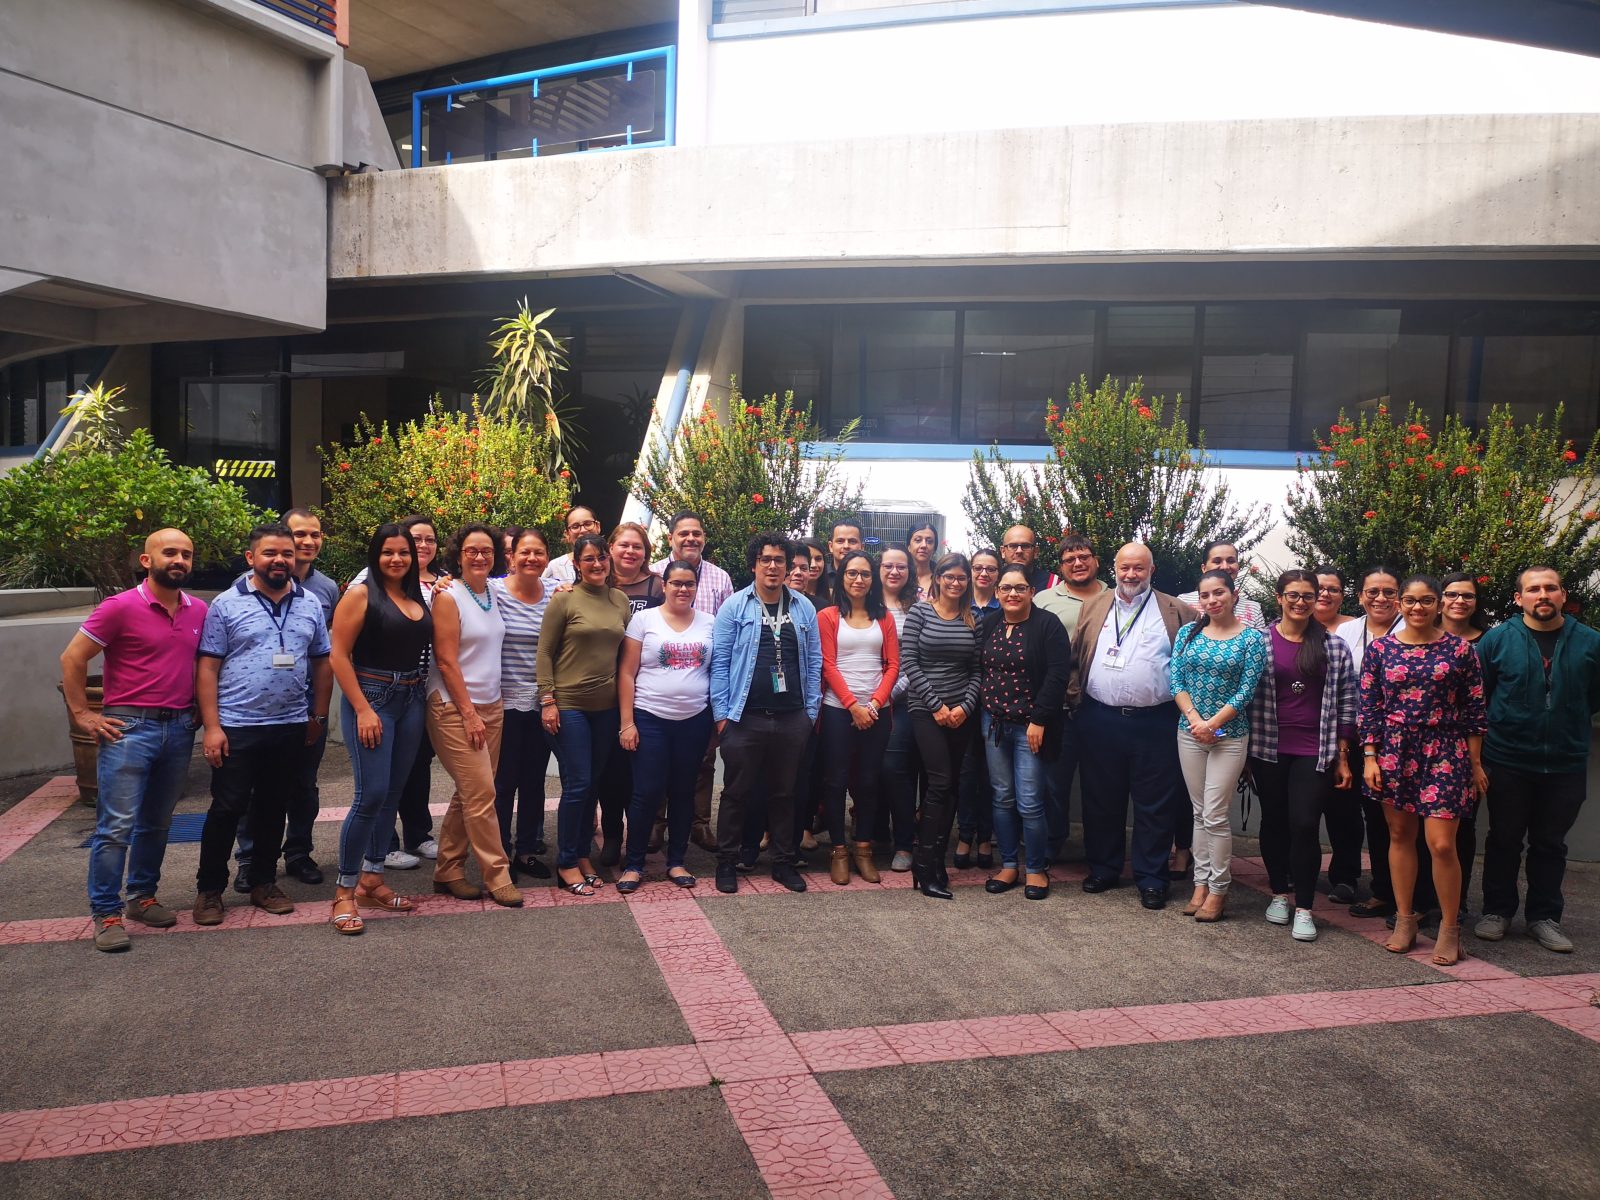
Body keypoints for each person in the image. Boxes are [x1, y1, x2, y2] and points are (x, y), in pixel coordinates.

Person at [62, 528, 208, 951]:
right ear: (147, 560)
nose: (179, 560)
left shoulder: (199, 609)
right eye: (169, 552)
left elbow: (198, 664)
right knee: (116, 827)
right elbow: (72, 657)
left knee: (157, 823)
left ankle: (142, 897)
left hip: (179, 728)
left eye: (186, 554)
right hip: (128, 728)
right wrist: (83, 714)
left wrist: (200, 708)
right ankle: (106, 913)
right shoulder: (120, 607)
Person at [192, 523, 332, 925]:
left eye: (286, 554)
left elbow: (322, 662)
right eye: (270, 553)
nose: (279, 560)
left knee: (274, 807)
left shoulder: (310, 603)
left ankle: (263, 882)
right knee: (228, 808)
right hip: (238, 725)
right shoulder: (226, 604)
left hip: (290, 723)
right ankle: (210, 890)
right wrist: (212, 727)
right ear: (251, 558)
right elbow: (207, 667)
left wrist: (318, 715)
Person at [1359, 574, 1488, 965]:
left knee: (1443, 844)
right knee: (1400, 834)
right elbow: (1369, 707)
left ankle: (1450, 928)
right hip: (1394, 750)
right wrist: (1370, 757)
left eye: (1427, 600)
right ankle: (1405, 919)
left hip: (1446, 750)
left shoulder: (1460, 650)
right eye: (1411, 600)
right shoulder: (1380, 649)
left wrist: (1475, 763)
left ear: (1438, 604)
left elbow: (1475, 709)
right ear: (1400, 604)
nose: (1418, 607)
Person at [1475, 567, 1600, 953]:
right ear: (1519, 598)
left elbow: (1594, 698)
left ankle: (1544, 918)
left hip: (1565, 762)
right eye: (1533, 589)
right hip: (1508, 758)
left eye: (1550, 588)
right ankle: (1497, 911)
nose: (1542, 594)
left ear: (1563, 595)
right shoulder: (1496, 640)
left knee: (1550, 843)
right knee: (1504, 839)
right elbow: (1479, 697)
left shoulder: (1591, 642)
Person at [1070, 543, 1198, 910]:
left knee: (1155, 804)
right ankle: (1103, 869)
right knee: (1100, 800)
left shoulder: (1178, 611)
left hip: (1156, 721)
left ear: (1151, 570)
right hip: (1100, 719)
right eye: (1124, 567)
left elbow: (1191, 665)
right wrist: (1075, 699)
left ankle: (1152, 878)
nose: (1130, 575)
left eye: (1139, 568)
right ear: (1114, 568)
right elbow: (1076, 657)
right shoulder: (1094, 606)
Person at [325, 524, 433, 934]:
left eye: (404, 552)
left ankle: (372, 879)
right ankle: (345, 890)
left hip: (411, 698)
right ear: (376, 554)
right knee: (369, 796)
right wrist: (362, 709)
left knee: (391, 793)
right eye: (388, 552)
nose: (397, 559)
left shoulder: (415, 594)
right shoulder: (360, 594)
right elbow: (338, 655)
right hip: (372, 697)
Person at [1247, 570, 1358, 943]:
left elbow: (1348, 702)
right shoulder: (1259, 642)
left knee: (1306, 823)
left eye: (1307, 595)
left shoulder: (1333, 647)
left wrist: (1343, 755)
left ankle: (1305, 908)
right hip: (1268, 747)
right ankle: (1279, 893)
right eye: (1292, 595)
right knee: (1274, 821)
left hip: (1316, 749)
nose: (1300, 602)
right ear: (1279, 598)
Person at [233, 508, 339, 892]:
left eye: (315, 534)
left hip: (305, 703)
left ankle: (298, 853)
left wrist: (319, 713)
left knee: (303, 785)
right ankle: (249, 859)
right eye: (299, 534)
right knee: (252, 789)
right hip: (255, 708)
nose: (307, 541)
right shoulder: (242, 586)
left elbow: (323, 653)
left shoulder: (327, 589)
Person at [710, 533, 821, 895]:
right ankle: (727, 862)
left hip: (792, 718)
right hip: (745, 717)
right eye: (765, 559)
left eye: (779, 560)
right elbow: (720, 663)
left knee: (785, 794)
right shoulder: (734, 606)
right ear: (754, 565)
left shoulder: (803, 608)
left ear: (788, 566)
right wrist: (723, 716)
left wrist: (810, 712)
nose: (773, 566)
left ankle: (783, 863)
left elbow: (814, 661)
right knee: (736, 793)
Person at [428, 524, 522, 908]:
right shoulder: (448, 595)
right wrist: (468, 713)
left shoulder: (494, 592)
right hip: (454, 706)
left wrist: (564, 586)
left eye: (487, 551)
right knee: (482, 793)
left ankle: (448, 869)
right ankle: (498, 875)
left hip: (492, 704)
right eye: (472, 550)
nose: (480, 556)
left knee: (471, 792)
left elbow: (537, 582)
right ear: (458, 554)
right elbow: (445, 660)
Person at [1169, 569, 1267, 922]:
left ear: (1233, 594)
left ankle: (1219, 888)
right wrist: (1195, 720)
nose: (1212, 600)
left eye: (1219, 593)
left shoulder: (1251, 639)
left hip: (1229, 736)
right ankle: (1200, 884)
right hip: (1190, 732)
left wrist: (1212, 724)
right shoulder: (1188, 633)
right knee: (1198, 812)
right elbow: (1176, 680)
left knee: (1214, 813)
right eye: (1205, 595)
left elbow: (1246, 691)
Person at [538, 533, 631, 896]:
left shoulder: (619, 600)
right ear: (576, 563)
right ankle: (565, 863)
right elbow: (544, 652)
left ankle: (581, 855)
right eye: (589, 558)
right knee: (577, 784)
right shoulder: (564, 599)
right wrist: (548, 700)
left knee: (592, 783)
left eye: (602, 557)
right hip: (568, 705)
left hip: (606, 709)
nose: (597, 564)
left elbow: (624, 654)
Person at [616, 561, 716, 892]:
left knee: (683, 792)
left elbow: (716, 671)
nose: (683, 589)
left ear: (696, 586)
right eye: (676, 583)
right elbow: (626, 673)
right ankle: (634, 865)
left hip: (694, 720)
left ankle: (677, 861)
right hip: (650, 718)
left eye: (689, 584)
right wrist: (627, 723)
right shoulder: (644, 620)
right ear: (665, 585)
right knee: (646, 793)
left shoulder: (710, 623)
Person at [979, 563, 1072, 901]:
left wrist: (1040, 719)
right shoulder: (989, 623)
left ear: (1032, 592)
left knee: (1030, 801)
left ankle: (1035, 868)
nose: (1012, 594)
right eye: (1006, 588)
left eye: (1020, 588)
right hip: (993, 724)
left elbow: (1058, 676)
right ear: (997, 592)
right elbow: (981, 670)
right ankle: (1008, 865)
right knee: (1002, 796)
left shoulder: (1047, 625)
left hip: (1030, 727)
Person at [650, 511, 734, 852]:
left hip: (704, 683)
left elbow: (728, 636)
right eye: (683, 533)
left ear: (704, 538)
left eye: (696, 533)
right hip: (659, 686)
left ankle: (699, 824)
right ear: (670, 537)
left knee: (703, 761)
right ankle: (657, 824)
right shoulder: (654, 574)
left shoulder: (720, 578)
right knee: (658, 763)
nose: (690, 539)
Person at [900, 552, 981, 899]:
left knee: (952, 788)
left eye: (961, 577)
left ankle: (936, 862)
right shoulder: (920, 613)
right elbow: (909, 661)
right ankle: (923, 862)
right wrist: (937, 706)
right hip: (926, 711)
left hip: (961, 714)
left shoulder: (973, 618)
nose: (955, 582)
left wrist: (965, 707)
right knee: (940, 782)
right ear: (938, 578)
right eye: (949, 576)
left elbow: (977, 669)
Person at [817, 550, 901, 884]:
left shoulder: (885, 617)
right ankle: (839, 850)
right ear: (841, 577)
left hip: (877, 712)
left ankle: (863, 849)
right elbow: (828, 664)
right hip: (838, 711)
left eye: (865, 574)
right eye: (852, 573)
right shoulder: (828, 616)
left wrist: (875, 704)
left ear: (872, 579)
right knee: (835, 781)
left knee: (868, 781)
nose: (858, 579)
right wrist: (853, 705)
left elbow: (893, 665)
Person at [595, 521, 666, 866]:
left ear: (646, 552)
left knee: (642, 771)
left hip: (647, 691)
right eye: (623, 545)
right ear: (610, 548)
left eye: (637, 546)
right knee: (611, 772)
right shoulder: (598, 583)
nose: (630, 551)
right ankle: (611, 835)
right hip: (605, 688)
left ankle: (641, 833)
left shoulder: (658, 586)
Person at [1033, 534, 1107, 860]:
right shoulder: (1044, 599)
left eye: (1084, 557)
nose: (1078, 563)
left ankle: (1099, 850)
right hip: (1058, 707)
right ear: (1061, 567)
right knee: (1054, 783)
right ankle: (1053, 843)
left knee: (1100, 783)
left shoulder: (1115, 597)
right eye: (1069, 559)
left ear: (1096, 561)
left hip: (1101, 708)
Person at [1336, 567, 1404, 919]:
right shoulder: (1347, 631)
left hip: (1400, 742)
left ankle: (1410, 897)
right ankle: (1381, 891)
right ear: (1361, 596)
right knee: (1369, 819)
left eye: (1389, 592)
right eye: (1372, 591)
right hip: (1356, 737)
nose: (1380, 598)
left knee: (1399, 822)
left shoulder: (1411, 628)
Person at [492, 527, 554, 882]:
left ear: (547, 557)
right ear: (511, 557)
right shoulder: (493, 590)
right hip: (502, 701)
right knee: (503, 783)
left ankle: (527, 850)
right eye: (524, 552)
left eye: (539, 552)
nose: (532, 558)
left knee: (534, 780)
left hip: (542, 701)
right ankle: (499, 855)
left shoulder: (556, 593)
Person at [387, 514, 448, 869]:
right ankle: (384, 842)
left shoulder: (445, 582)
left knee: (418, 763)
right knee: (387, 766)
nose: (423, 545)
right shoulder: (378, 580)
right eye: (416, 539)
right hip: (388, 689)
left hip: (429, 690)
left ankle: (418, 834)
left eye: (430, 539)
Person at [956, 548, 1002, 869]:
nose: (984, 574)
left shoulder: (1007, 605)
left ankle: (985, 836)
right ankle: (964, 834)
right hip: (962, 699)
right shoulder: (960, 606)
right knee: (965, 772)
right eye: (978, 568)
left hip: (997, 702)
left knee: (989, 773)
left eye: (991, 569)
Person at [878, 545, 921, 872]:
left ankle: (904, 842)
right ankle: (871, 836)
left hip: (902, 703)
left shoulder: (918, 609)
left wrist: (887, 695)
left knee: (895, 769)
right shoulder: (864, 604)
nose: (894, 572)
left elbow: (914, 660)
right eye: (888, 566)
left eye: (901, 567)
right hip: (863, 701)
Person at [1177, 540, 1267, 629]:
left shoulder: (1253, 609)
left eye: (1231, 561)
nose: (1225, 567)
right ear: (1204, 568)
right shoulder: (1183, 602)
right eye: (1217, 561)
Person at [543, 505, 601, 587]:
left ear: (598, 526)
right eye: (575, 526)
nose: (583, 530)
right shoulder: (555, 567)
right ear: (567, 534)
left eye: (588, 524)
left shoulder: (611, 563)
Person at [999, 525, 1051, 592]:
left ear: (1035, 551)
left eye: (1026, 546)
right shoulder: (992, 583)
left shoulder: (1052, 584)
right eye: (1013, 546)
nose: (1019, 551)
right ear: (1003, 551)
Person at [1312, 564, 1358, 634]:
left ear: (1342, 597)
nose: (1325, 594)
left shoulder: (1354, 626)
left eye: (1333, 590)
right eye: (1319, 588)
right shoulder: (1296, 624)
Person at [907, 522, 938, 600]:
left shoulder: (940, 579)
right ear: (909, 546)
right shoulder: (899, 576)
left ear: (934, 549)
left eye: (929, 541)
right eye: (918, 540)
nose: (924, 545)